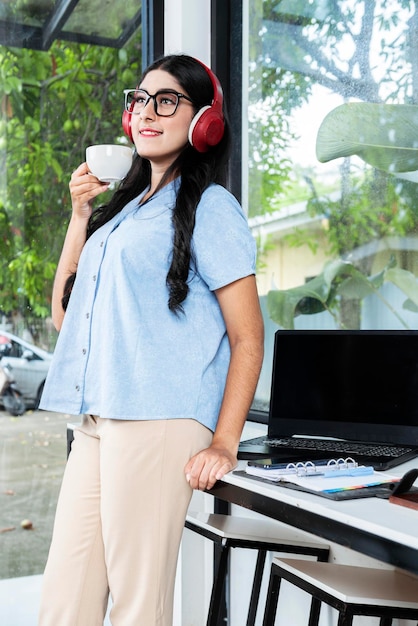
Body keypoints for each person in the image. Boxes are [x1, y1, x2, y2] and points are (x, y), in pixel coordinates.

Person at [38, 53, 264, 626]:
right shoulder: (118, 218)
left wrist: (225, 443)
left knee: (139, 605)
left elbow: (247, 337)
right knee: (66, 602)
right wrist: (79, 214)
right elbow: (65, 316)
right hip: (97, 420)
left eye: (167, 101)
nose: (146, 112)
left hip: (159, 419)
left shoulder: (212, 209)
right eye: (140, 99)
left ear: (202, 122)